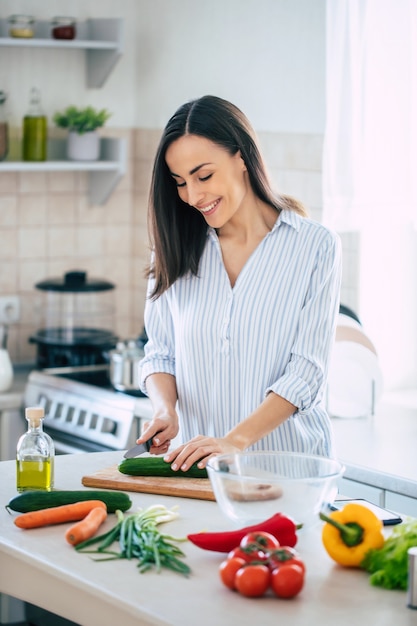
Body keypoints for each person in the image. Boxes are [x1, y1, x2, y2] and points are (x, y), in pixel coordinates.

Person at [136, 95, 342, 472]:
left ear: (242, 157)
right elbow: (161, 353)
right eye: (180, 182)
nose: (193, 196)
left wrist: (234, 442)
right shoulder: (174, 249)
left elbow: (306, 375)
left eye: (204, 175)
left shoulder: (314, 246)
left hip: (289, 475)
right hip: (201, 477)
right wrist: (166, 410)